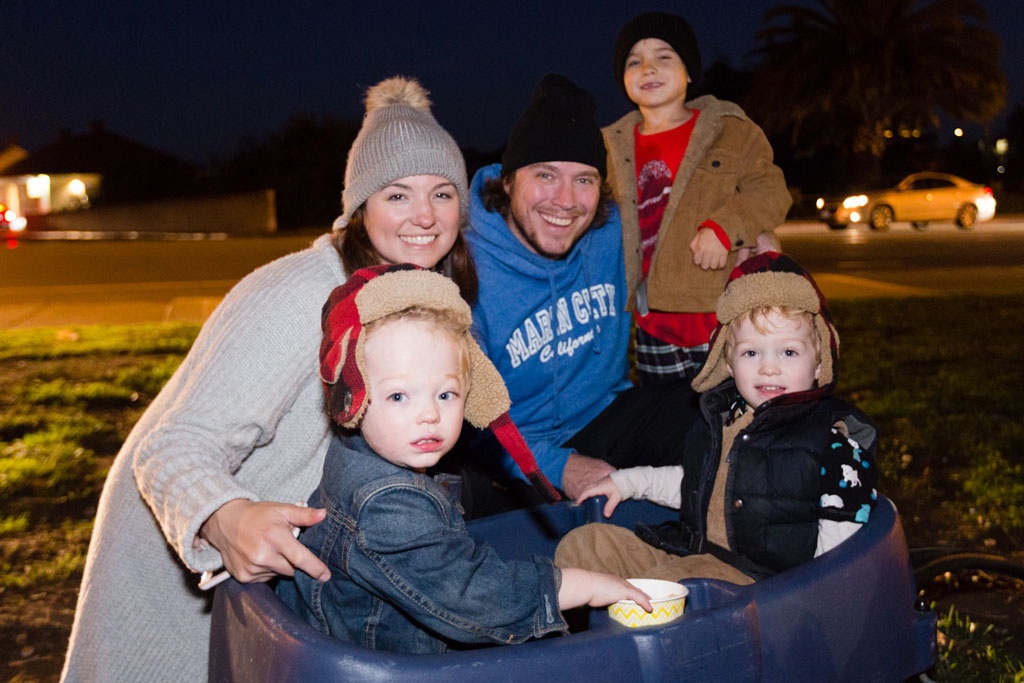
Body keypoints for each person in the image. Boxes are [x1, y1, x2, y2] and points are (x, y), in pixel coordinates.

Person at [61, 76, 476, 682]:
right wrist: (225, 516)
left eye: (443, 194)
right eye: (397, 195)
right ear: (359, 207)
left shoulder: (413, 298)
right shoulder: (302, 293)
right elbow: (170, 446)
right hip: (181, 563)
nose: (424, 216)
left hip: (274, 581)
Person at [275, 264, 652, 653]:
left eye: (446, 394)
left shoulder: (358, 451)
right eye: (399, 396)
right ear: (351, 400)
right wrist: (584, 585)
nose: (430, 415)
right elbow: (474, 598)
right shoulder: (385, 502)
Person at [555, 252, 878, 584]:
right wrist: (626, 483)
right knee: (586, 547)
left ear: (821, 362)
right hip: (692, 553)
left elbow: (841, 552)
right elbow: (697, 486)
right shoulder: (723, 419)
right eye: (751, 352)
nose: (769, 367)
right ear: (727, 362)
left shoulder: (832, 442)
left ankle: (630, 622)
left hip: (759, 587)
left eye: (789, 352)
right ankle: (587, 629)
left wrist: (808, 601)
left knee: (670, 585)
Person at [458, 73, 700, 513]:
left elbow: (691, 243)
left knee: (709, 412)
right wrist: (560, 466)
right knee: (456, 493)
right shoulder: (464, 265)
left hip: (606, 417)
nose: (566, 201)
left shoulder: (610, 235)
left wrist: (750, 243)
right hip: (505, 452)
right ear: (508, 180)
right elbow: (460, 416)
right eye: (546, 175)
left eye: (585, 180)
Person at [603, 11, 792, 384]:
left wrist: (724, 228)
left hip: (722, 313)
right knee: (670, 428)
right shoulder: (610, 145)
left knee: (731, 426)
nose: (647, 69)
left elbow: (771, 191)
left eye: (663, 57)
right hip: (652, 323)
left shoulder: (730, 130)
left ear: (689, 71)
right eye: (634, 61)